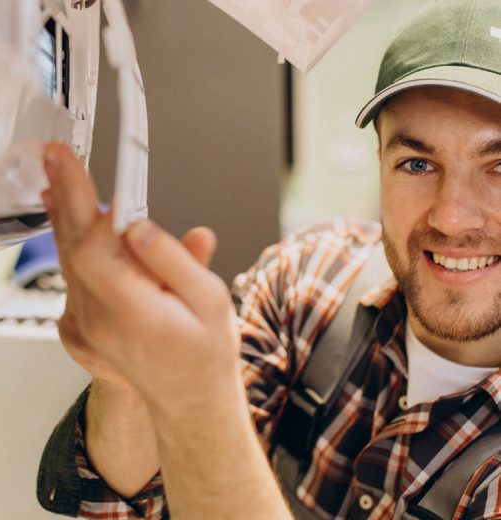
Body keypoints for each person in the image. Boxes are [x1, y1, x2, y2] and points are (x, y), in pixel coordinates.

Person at [36, 0, 501, 518]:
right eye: (417, 163)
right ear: (380, 165)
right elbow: (132, 503)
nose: (453, 217)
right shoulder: (308, 281)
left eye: (499, 165)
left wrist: (196, 400)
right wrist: (130, 379)